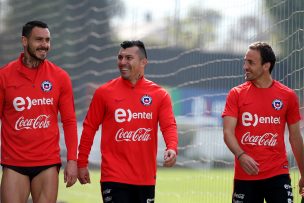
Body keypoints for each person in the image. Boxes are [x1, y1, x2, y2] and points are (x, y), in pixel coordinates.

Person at [77, 40, 178, 203]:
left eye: (128, 58)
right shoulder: (104, 93)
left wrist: (172, 147)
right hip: (114, 177)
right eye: (120, 57)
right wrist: (82, 163)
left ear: (143, 62)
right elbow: (89, 128)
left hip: (145, 179)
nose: (122, 62)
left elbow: (169, 125)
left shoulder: (160, 95)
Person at [0, 21, 78, 203]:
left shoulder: (60, 77)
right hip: (14, 163)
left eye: (48, 40)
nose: (45, 45)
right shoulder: (4, 76)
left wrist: (72, 161)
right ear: (24, 41)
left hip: (47, 162)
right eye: (39, 40)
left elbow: (69, 121)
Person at [222, 41, 304, 203]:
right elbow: (227, 133)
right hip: (245, 176)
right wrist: (241, 155)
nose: (245, 66)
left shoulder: (287, 96)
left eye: (251, 62)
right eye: (245, 61)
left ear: (266, 66)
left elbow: (295, 137)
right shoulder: (236, 94)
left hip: (277, 175)